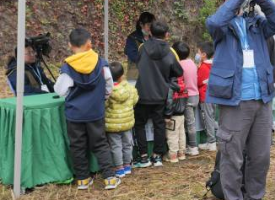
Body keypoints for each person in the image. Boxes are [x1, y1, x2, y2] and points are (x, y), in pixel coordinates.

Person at [206, 0, 275, 200]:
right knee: (232, 155)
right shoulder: (221, 24)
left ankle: (254, 199)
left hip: (262, 98)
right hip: (234, 100)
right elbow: (216, 21)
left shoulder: (257, 24)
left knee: (260, 155)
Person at [54, 28, 119, 190]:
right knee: (100, 144)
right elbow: (109, 85)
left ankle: (83, 179)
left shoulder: (68, 68)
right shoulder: (101, 63)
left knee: (77, 145)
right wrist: (101, 98)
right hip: (95, 112)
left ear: (70, 45)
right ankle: (109, 178)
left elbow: (60, 91)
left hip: (75, 114)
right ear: (89, 43)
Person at [134, 20, 183, 168]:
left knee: (139, 124)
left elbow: (138, 64)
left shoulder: (142, 47)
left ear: (150, 33)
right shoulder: (171, 51)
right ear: (167, 35)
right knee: (159, 125)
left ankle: (143, 157)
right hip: (161, 94)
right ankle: (157, 156)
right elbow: (178, 72)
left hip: (142, 93)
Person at [105, 62, 139, 178]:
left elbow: (104, 105)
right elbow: (135, 101)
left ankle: (119, 168)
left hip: (112, 125)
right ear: (122, 75)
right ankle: (127, 165)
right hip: (127, 123)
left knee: (116, 146)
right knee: (128, 144)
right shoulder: (130, 88)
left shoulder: (108, 91)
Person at [171, 41, 198, 159]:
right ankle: (190, 145)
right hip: (195, 94)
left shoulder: (179, 65)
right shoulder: (192, 62)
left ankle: (193, 147)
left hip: (187, 96)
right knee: (191, 121)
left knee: (189, 123)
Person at [124, 12, 155, 83]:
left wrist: (154, 38)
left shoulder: (154, 38)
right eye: (148, 25)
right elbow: (133, 56)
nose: (150, 28)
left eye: (152, 25)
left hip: (151, 75)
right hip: (135, 75)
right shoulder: (132, 38)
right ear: (141, 24)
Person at [197, 41, 217, 151]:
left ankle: (211, 142)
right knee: (212, 117)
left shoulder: (204, 67)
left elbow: (198, 81)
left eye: (199, 52)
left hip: (205, 96)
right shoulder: (214, 65)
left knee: (208, 119)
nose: (198, 55)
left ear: (204, 54)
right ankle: (213, 139)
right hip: (214, 95)